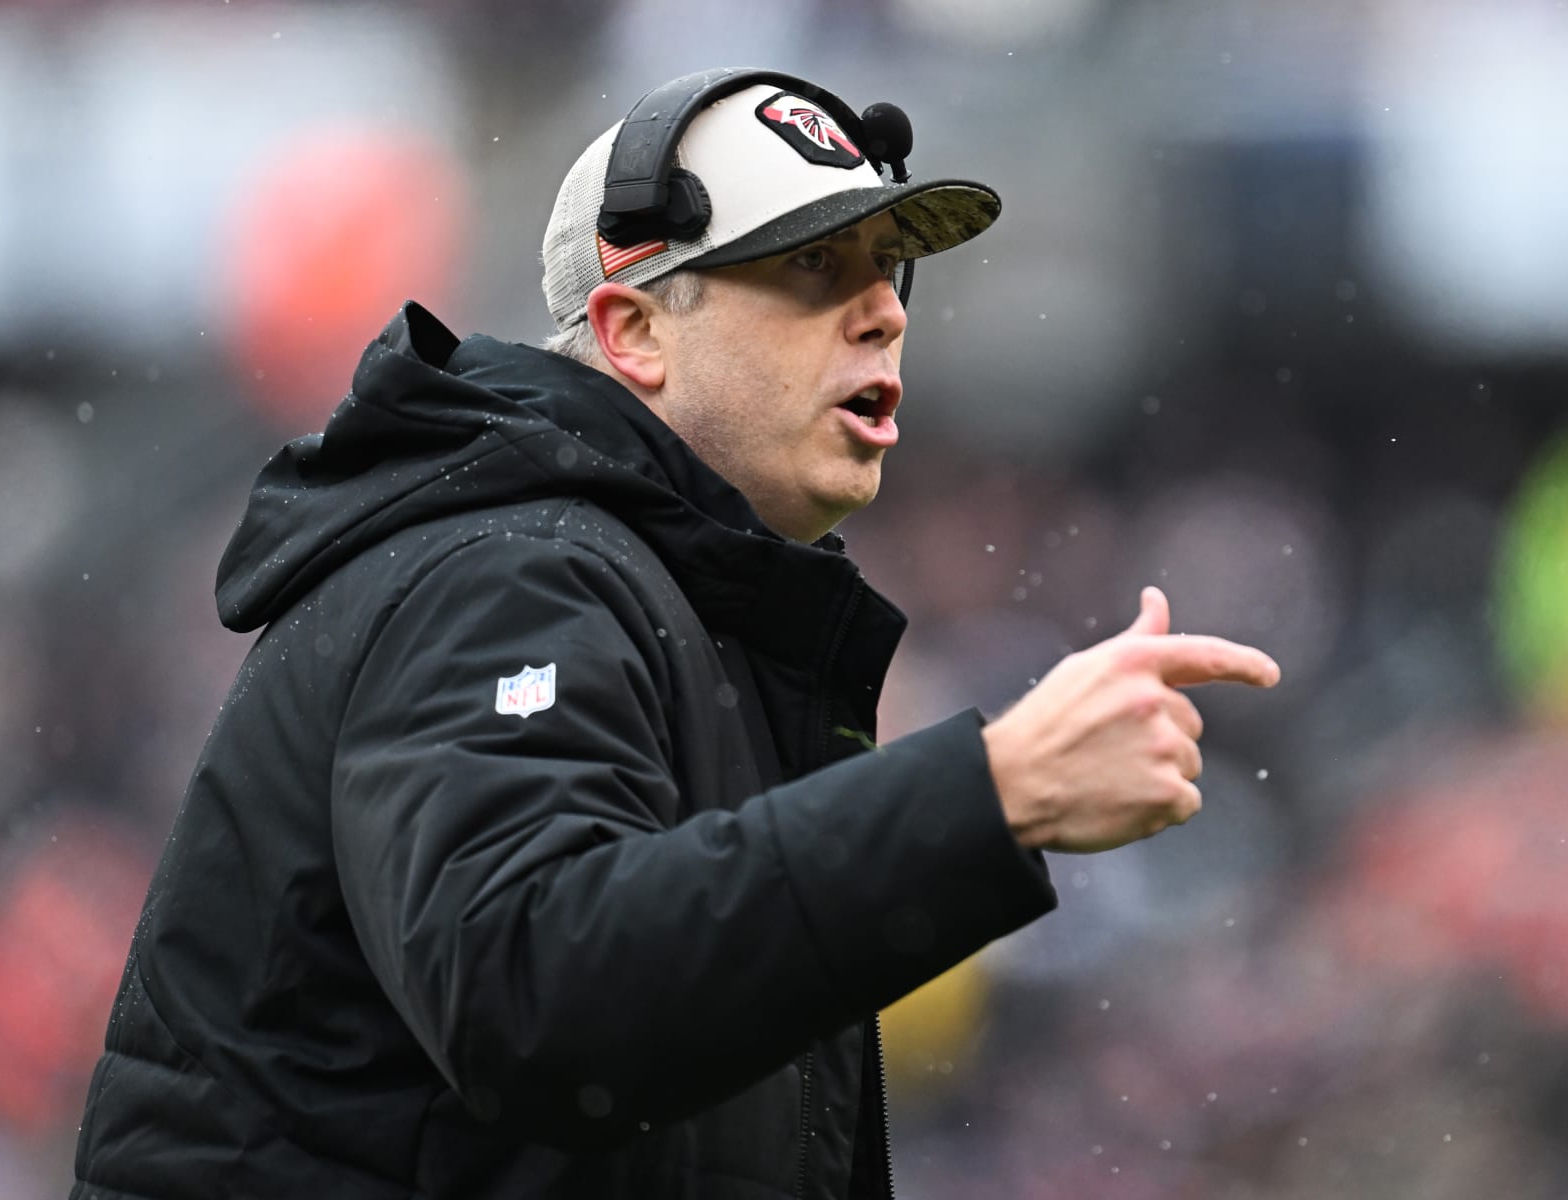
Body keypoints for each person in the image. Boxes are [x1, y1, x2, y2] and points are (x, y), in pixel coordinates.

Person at [69, 68, 1280, 1200]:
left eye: (891, 272)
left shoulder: (656, 593)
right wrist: (990, 793)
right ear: (634, 331)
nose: (881, 316)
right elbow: (538, 995)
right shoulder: (507, 571)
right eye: (813, 269)